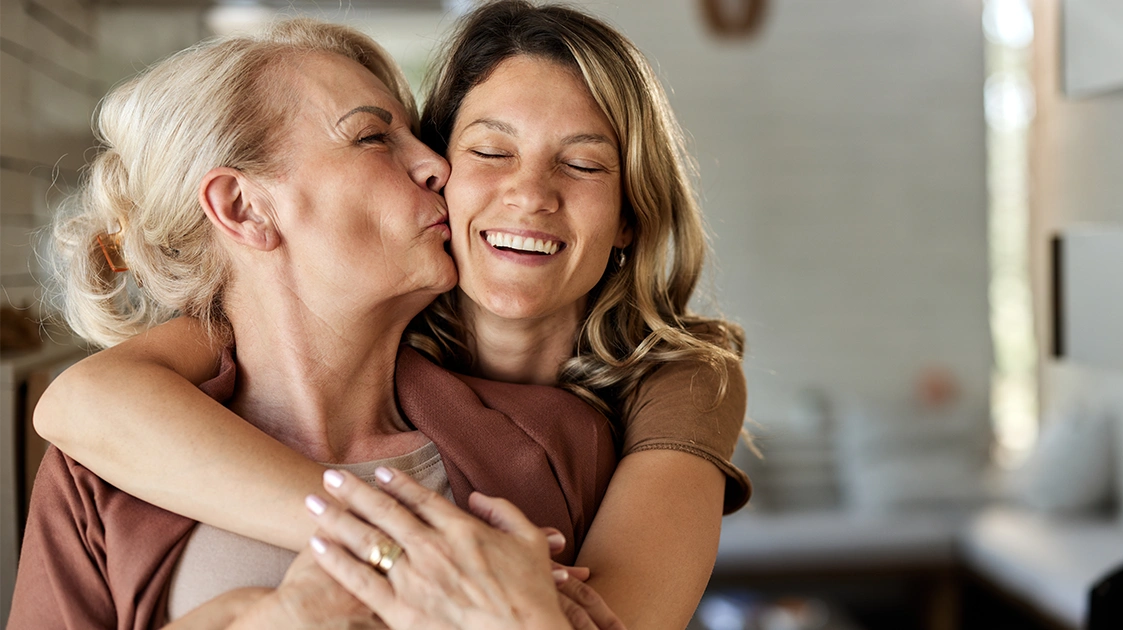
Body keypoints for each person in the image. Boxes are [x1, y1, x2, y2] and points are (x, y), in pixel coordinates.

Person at [34, 2, 752, 627]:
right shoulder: (119, 452)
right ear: (243, 209)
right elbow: (83, 399)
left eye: (587, 164)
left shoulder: (583, 429)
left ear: (633, 214)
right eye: (376, 138)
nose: (436, 169)